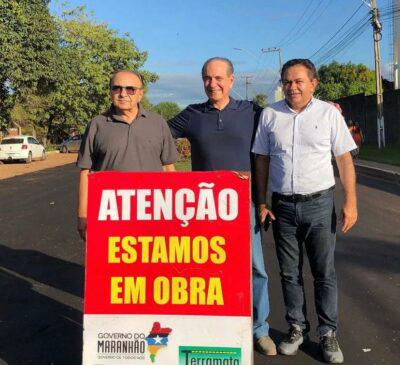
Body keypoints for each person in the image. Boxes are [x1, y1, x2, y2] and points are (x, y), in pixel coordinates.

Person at [168, 57, 276, 356]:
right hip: (204, 209)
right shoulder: (192, 115)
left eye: (218, 78)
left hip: (244, 205)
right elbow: (157, 134)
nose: (212, 84)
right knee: (205, 269)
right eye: (206, 78)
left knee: (255, 268)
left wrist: (321, 109)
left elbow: (282, 124)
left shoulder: (251, 111)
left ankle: (260, 329)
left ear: (231, 80)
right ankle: (213, 326)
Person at [253, 59, 358, 364]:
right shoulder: (271, 114)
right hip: (283, 207)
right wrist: (262, 201)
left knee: (324, 272)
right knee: (289, 273)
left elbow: (344, 160)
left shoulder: (328, 114)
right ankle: (296, 327)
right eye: (286, 81)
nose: (292, 87)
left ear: (314, 83)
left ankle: (328, 333)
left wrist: (350, 200)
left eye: (299, 81)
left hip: (319, 204)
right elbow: (260, 158)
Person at [77, 70, 178, 240]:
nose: (123, 94)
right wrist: (82, 214)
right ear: (110, 92)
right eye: (116, 88)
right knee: (109, 265)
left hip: (153, 211)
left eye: (130, 89)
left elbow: (169, 168)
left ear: (140, 94)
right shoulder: (97, 124)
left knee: (152, 263)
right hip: (110, 213)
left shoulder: (158, 123)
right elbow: (85, 171)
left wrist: (176, 210)